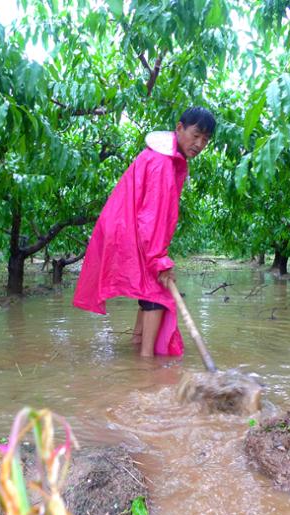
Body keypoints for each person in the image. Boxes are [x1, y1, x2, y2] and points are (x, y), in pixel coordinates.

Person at [73, 107, 215, 357]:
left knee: (149, 286)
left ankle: (138, 343)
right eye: (196, 135)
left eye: (205, 139)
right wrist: (159, 260)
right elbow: (152, 216)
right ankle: (147, 363)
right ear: (179, 128)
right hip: (131, 230)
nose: (199, 144)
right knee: (156, 291)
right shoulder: (162, 163)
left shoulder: (164, 158)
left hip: (125, 227)